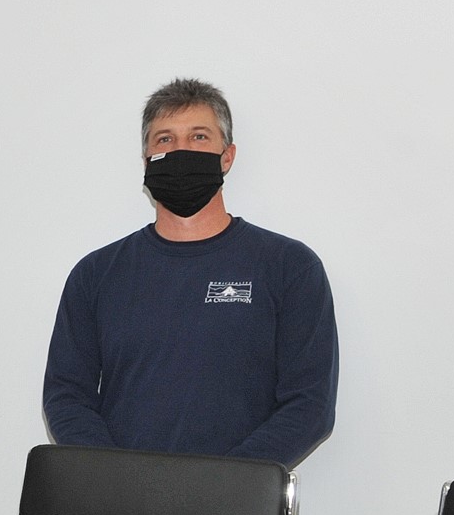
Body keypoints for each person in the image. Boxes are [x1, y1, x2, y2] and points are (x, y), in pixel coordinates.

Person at [43, 78, 338, 465]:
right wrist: (118, 478)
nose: (180, 150)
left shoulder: (289, 267)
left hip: (238, 497)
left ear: (227, 156)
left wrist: (224, 483)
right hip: (120, 498)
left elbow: (310, 405)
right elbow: (66, 397)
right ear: (146, 160)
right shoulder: (95, 275)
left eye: (199, 137)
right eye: (165, 139)